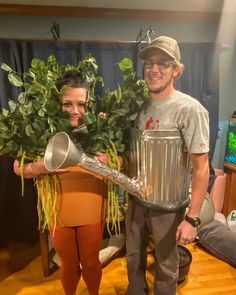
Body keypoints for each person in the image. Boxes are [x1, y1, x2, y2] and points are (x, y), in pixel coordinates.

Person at [125, 36, 210, 295]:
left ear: (176, 70)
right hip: (136, 200)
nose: (154, 69)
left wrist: (192, 219)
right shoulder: (136, 105)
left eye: (163, 63)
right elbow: (133, 153)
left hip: (169, 207)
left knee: (166, 266)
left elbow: (201, 166)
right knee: (133, 257)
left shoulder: (189, 109)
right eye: (150, 63)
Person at [14, 70, 109, 295]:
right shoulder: (40, 130)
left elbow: (124, 160)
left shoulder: (100, 129)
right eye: (67, 104)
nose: (75, 111)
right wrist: (40, 167)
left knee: (91, 260)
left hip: (91, 200)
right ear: (56, 103)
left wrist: (112, 160)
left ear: (89, 104)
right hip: (57, 201)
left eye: (81, 104)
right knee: (67, 261)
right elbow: (19, 168)